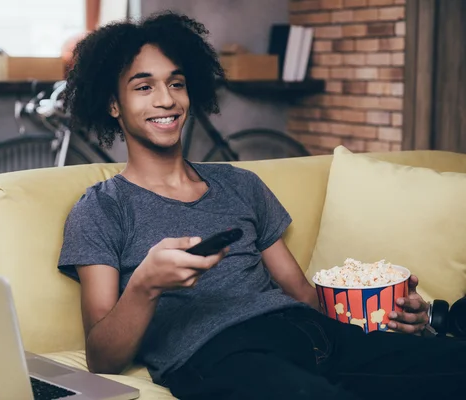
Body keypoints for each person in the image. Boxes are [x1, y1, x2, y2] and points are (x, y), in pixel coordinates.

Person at [57, 11, 466, 400]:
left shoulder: (239, 183)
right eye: (144, 87)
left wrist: (393, 313)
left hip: (312, 333)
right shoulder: (101, 208)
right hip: (220, 354)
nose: (166, 100)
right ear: (113, 104)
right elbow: (101, 358)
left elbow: (303, 294)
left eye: (176, 83)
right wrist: (146, 284)